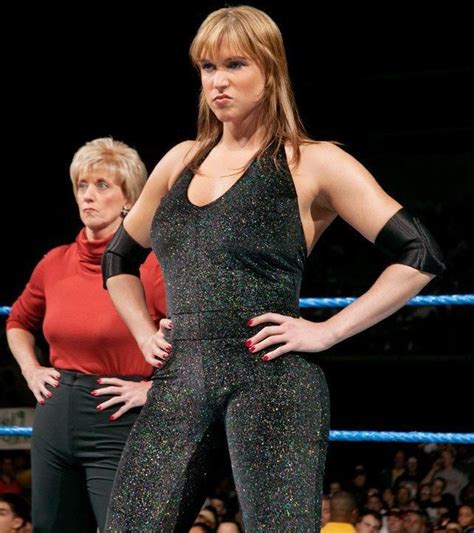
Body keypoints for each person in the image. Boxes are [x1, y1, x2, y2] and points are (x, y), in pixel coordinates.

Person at [102, 6, 446, 531]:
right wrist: (143, 332)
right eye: (207, 67)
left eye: (235, 65)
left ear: (271, 70)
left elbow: (420, 253)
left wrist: (329, 330)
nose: (218, 82)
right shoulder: (179, 160)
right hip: (180, 379)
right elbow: (118, 257)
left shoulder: (312, 161)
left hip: (271, 380)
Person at [6, 138, 167, 531]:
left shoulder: (151, 266)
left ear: (130, 200)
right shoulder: (54, 263)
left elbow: (196, 336)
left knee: (123, 526)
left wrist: (153, 389)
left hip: (118, 414)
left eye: (102, 186)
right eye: (82, 185)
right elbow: (17, 322)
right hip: (56, 412)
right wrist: (31, 370)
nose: (88, 196)